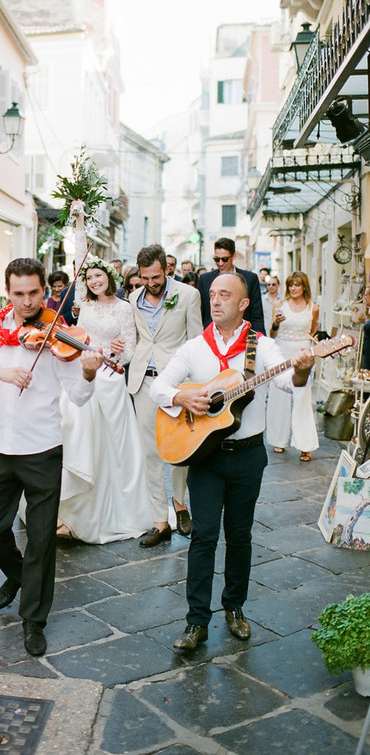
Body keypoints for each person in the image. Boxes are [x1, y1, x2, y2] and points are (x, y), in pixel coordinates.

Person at [150, 273, 315, 651]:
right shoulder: (195, 347)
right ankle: (196, 622)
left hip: (247, 456)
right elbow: (159, 386)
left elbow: (289, 380)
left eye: (225, 295)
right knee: (203, 536)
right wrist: (181, 399)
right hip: (205, 458)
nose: (216, 301)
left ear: (244, 304)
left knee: (240, 537)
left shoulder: (262, 345)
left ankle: (235, 607)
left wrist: (303, 367)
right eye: (212, 294)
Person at [0, 257, 102, 657]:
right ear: (8, 292)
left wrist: (88, 372)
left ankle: (34, 620)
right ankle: (18, 576)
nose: (27, 301)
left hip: (43, 449)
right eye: (19, 294)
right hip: (0, 448)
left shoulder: (60, 336)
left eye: (34, 293)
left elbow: (80, 396)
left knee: (40, 540)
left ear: (45, 291)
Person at [56, 205, 152, 543]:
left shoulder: (125, 308)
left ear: (109, 278)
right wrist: (79, 222)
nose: (94, 280)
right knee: (74, 435)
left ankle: (107, 507)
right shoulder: (83, 300)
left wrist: (113, 352)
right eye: (90, 277)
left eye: (99, 276)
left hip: (110, 381)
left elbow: (129, 350)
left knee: (110, 448)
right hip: (82, 372)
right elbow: (80, 256)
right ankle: (68, 511)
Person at [128, 243, 203, 547]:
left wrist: (196, 386)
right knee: (149, 452)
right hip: (143, 382)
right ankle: (160, 522)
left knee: (179, 449)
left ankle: (180, 503)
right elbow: (136, 339)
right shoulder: (134, 298)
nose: (150, 284)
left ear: (166, 268)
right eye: (145, 278)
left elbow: (197, 341)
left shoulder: (188, 295)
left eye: (155, 277)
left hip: (177, 384)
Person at [266, 271, 319, 461]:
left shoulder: (313, 308)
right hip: (281, 352)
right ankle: (279, 440)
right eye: (291, 285)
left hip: (303, 353)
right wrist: (276, 324)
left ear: (304, 286)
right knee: (279, 398)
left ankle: (305, 444)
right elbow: (271, 334)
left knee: (303, 398)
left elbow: (313, 331)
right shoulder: (279, 306)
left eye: (297, 285)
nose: (294, 288)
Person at [197, 238, 265, 333]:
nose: (220, 263)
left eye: (224, 259)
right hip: (212, 335)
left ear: (233, 256)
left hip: (242, 335)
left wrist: (258, 341)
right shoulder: (204, 279)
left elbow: (256, 314)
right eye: (216, 259)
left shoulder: (250, 279)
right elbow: (200, 312)